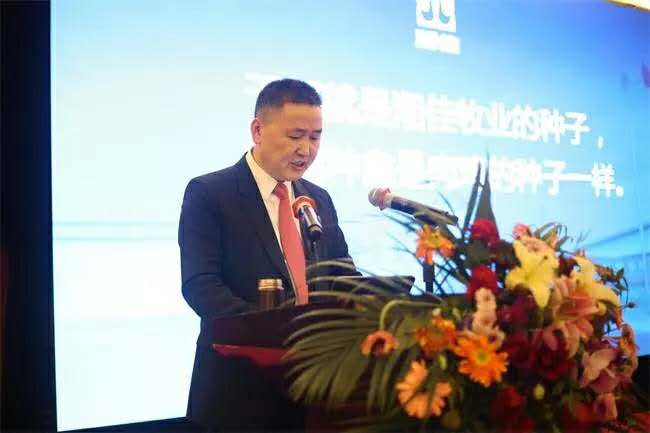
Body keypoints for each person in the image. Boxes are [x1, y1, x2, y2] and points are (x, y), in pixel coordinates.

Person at [178, 78, 359, 431]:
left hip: (316, 390)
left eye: (316, 137)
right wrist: (270, 335)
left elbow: (343, 276)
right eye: (295, 136)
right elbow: (201, 286)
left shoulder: (317, 199)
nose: (306, 149)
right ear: (258, 130)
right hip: (238, 392)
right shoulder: (210, 193)